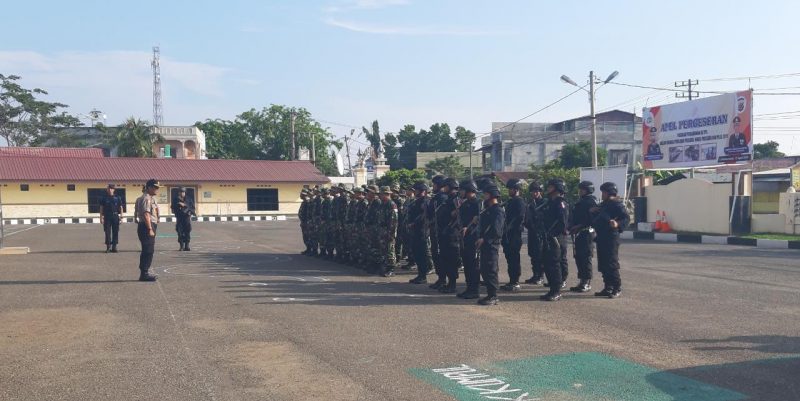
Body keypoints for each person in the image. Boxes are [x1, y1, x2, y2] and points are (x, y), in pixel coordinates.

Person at [591, 182, 630, 298]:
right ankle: (608, 287)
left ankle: (617, 287)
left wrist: (617, 223)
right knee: (603, 263)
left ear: (610, 193)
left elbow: (626, 218)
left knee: (611, 263)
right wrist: (593, 211)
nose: (602, 194)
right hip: (601, 236)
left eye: (604, 192)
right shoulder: (603, 205)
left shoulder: (617, 204)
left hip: (611, 237)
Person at [475, 183, 504, 306]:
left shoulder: (497, 210)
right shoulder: (488, 209)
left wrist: (485, 239)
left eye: (486, 194)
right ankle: (489, 294)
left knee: (491, 269)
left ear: (492, 195)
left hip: (491, 244)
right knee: (485, 269)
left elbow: (496, 231)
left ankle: (493, 295)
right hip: (485, 243)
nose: (484, 196)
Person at [541, 179, 568, 301]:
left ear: (557, 188)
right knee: (548, 264)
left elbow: (563, 222)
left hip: (556, 237)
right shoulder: (550, 202)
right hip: (547, 236)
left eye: (551, 187)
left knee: (555, 264)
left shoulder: (560, 203)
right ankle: (552, 289)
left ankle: (556, 291)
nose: (548, 189)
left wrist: (553, 233)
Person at [569, 181, 598, 292]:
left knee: (585, 257)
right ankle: (582, 280)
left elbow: (592, 219)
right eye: (580, 189)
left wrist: (579, 226)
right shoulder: (581, 201)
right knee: (579, 257)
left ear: (588, 190)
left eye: (583, 189)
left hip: (586, 232)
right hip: (578, 233)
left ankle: (586, 282)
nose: (580, 191)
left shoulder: (591, 202)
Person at [436, 178, 462, 293]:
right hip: (445, 233)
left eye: (445, 186)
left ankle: (452, 284)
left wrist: (452, 221)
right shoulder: (448, 199)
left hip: (452, 234)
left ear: (450, 186)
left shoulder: (456, 199)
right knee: (445, 258)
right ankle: (447, 282)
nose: (444, 188)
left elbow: (458, 215)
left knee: (452, 259)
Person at [457, 180, 481, 299]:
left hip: (473, 238)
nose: (460, 192)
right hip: (464, 238)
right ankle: (469, 288)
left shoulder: (478, 203)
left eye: (462, 190)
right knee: (466, 263)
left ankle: (474, 289)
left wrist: (470, 227)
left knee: (473, 265)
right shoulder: (465, 203)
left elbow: (480, 221)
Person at [500, 178, 526, 292]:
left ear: (516, 189)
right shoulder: (510, 201)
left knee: (514, 258)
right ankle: (512, 280)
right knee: (510, 258)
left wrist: (510, 227)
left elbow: (520, 217)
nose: (509, 191)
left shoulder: (519, 201)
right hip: (508, 234)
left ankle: (515, 282)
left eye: (511, 189)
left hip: (515, 234)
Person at [135, 179, 160, 282]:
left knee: (148, 250)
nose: (157, 189)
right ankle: (144, 274)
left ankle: (145, 272)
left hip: (147, 225)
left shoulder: (150, 198)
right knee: (148, 250)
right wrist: (150, 228)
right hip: (146, 226)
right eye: (155, 187)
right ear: (149, 187)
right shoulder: (146, 198)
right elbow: (146, 214)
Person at [407, 182, 432, 284]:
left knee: (422, 254)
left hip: (422, 231)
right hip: (415, 231)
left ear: (423, 191)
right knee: (416, 253)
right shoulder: (417, 201)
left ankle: (423, 275)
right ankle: (420, 274)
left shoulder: (426, 201)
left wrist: (414, 223)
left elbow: (424, 215)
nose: (415, 192)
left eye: (417, 190)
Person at [427, 175, 448, 289]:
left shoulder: (442, 198)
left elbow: (440, 215)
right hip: (434, 229)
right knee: (435, 254)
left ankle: (443, 279)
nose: (433, 186)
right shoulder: (436, 198)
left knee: (440, 255)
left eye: (434, 184)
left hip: (439, 230)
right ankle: (440, 278)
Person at [523, 182, 546, 285]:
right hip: (532, 231)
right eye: (533, 191)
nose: (534, 193)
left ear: (540, 192)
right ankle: (535, 274)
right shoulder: (530, 203)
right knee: (532, 253)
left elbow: (544, 217)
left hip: (540, 232)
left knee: (540, 254)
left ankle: (540, 276)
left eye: (536, 191)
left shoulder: (544, 202)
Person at [377, 186, 398, 277]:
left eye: (381, 194)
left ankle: (391, 269)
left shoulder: (391, 204)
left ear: (386, 194)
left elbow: (394, 221)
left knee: (390, 250)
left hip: (389, 231)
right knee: (383, 250)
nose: (380, 196)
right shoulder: (382, 204)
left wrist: (391, 233)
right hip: (382, 230)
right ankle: (384, 267)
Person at [99, 183, 123, 253]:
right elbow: (101, 208)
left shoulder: (117, 198)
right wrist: (101, 217)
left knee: (115, 231)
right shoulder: (104, 198)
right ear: (107, 190)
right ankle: (108, 247)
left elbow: (121, 207)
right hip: (107, 217)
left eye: (111, 188)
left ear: (114, 190)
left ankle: (114, 247)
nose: (110, 190)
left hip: (115, 216)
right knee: (107, 232)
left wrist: (121, 217)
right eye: (109, 188)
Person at [364, 185, 383, 273]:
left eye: (369, 192)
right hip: (370, 227)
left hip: (375, 228)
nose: (367, 193)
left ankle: (376, 266)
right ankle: (372, 264)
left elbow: (378, 217)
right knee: (371, 246)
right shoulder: (371, 202)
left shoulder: (377, 202)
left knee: (376, 247)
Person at [172, 187, 194, 251]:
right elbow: (172, 207)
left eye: (183, 192)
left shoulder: (189, 199)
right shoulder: (176, 199)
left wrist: (185, 205)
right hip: (179, 217)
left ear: (185, 192)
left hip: (186, 217)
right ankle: (181, 246)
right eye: (180, 192)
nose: (182, 193)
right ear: (178, 193)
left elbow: (192, 208)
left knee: (187, 231)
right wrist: (178, 204)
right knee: (180, 231)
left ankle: (187, 246)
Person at [299, 189, 312, 255]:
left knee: (308, 236)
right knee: (305, 236)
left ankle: (310, 249)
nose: (300, 195)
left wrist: (306, 221)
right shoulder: (304, 202)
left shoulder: (307, 202)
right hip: (304, 221)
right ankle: (308, 249)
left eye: (301, 194)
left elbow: (308, 213)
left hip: (307, 222)